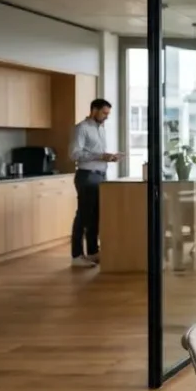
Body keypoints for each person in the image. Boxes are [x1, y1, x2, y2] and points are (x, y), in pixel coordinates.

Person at [69, 98, 119, 268]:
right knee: (83, 215)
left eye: (108, 114)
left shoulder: (101, 129)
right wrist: (99, 156)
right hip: (87, 175)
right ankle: (76, 255)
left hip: (100, 174)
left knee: (96, 216)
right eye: (104, 113)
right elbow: (75, 154)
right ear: (94, 110)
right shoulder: (82, 128)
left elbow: (97, 153)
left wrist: (109, 157)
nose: (106, 116)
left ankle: (92, 252)